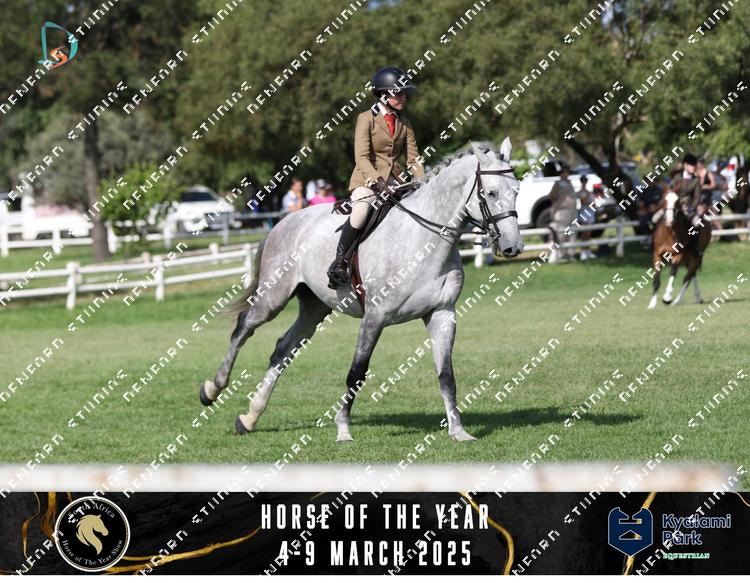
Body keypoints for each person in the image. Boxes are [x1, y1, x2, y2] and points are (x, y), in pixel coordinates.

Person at [326, 66, 425, 289]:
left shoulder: (405, 122)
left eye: (405, 94)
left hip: (396, 183)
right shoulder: (366, 119)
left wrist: (422, 180)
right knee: (361, 211)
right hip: (367, 181)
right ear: (383, 95)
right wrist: (378, 181)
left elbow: (414, 159)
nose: (404, 98)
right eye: (399, 94)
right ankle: (340, 262)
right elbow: (361, 157)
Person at [676, 154, 705, 256]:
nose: (694, 167)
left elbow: (697, 197)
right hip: (676, 207)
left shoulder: (696, 180)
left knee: (697, 223)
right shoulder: (677, 178)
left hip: (690, 208)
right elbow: (672, 192)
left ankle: (695, 245)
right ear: (685, 165)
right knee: (658, 218)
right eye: (691, 165)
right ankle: (652, 240)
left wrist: (692, 208)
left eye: (694, 165)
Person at [549, 165, 578, 261]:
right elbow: (552, 196)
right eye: (565, 172)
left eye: (568, 172)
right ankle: (560, 254)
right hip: (562, 211)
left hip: (572, 211)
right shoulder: (557, 184)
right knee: (562, 234)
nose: (567, 174)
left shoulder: (569, 183)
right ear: (561, 173)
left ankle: (570, 254)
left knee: (572, 232)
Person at [575, 175, 596, 260]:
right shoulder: (581, 192)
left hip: (590, 213)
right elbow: (584, 202)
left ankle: (588, 251)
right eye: (583, 181)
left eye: (585, 181)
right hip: (584, 213)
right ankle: (583, 252)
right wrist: (588, 196)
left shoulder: (589, 192)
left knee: (588, 234)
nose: (584, 182)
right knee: (584, 234)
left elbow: (593, 203)